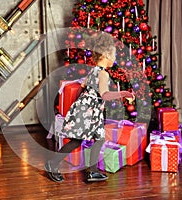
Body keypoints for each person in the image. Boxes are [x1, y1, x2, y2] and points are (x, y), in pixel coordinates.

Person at [44, 32, 134, 182]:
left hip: (89, 110)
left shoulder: (93, 70)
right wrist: (124, 93)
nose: (114, 59)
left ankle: (92, 171)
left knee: (98, 139)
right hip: (90, 111)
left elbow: (83, 87)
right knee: (77, 140)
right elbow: (105, 94)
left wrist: (83, 106)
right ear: (105, 55)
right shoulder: (103, 74)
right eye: (113, 56)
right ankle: (52, 164)